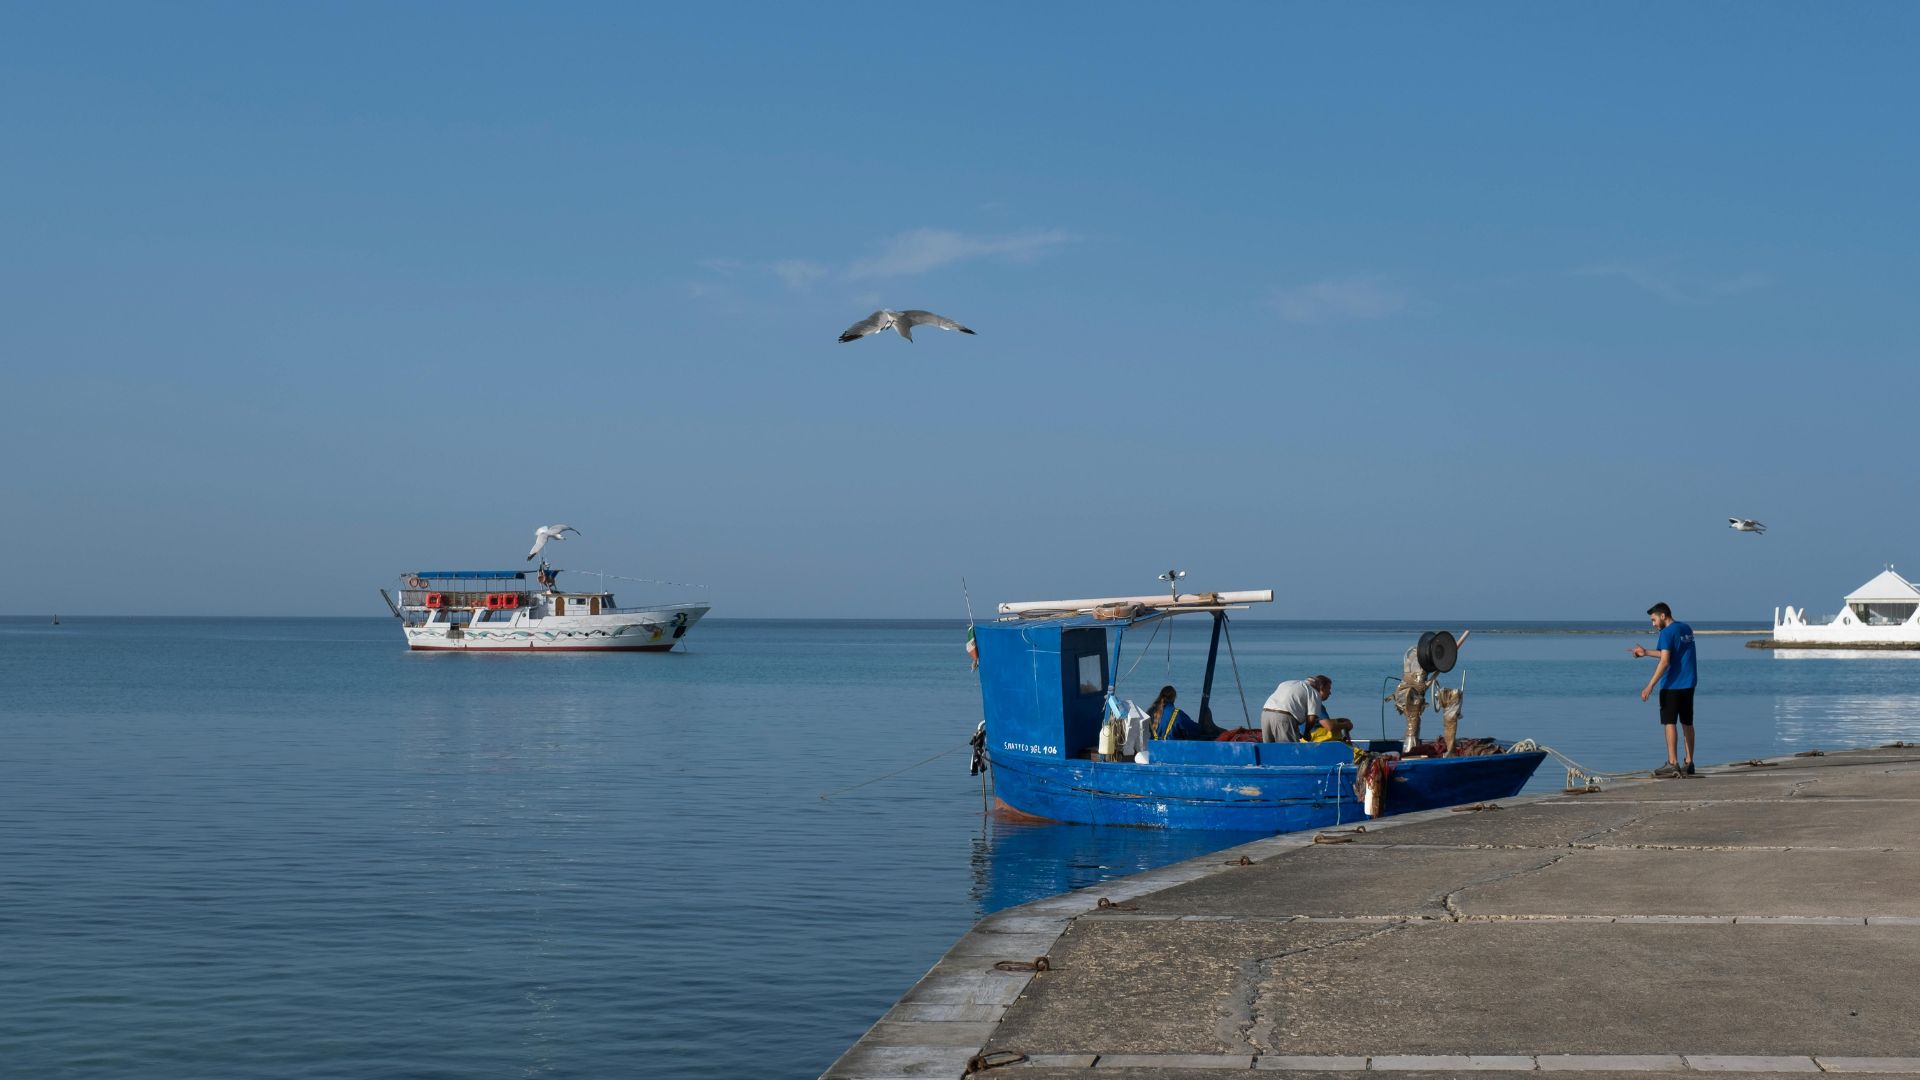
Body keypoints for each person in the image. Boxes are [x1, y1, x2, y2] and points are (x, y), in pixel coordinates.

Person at [1631, 602, 1697, 777]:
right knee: (1687, 723)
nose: (1653, 624)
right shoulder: (1685, 628)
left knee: (1670, 722)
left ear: (1663, 616)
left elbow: (1665, 661)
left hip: (1672, 685)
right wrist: (1645, 652)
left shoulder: (1666, 632)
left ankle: (1672, 763)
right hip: (1689, 682)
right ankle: (1689, 762)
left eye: (1653, 620)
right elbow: (1669, 653)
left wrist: (1649, 685)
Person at [1260, 675, 1351, 742]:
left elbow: (1290, 703)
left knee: (1268, 747)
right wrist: (1307, 733)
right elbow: (1311, 717)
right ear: (1321, 688)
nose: (1330, 693)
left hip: (1266, 713)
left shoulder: (1289, 683)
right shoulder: (1314, 692)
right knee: (1288, 750)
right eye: (1328, 689)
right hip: (1284, 717)